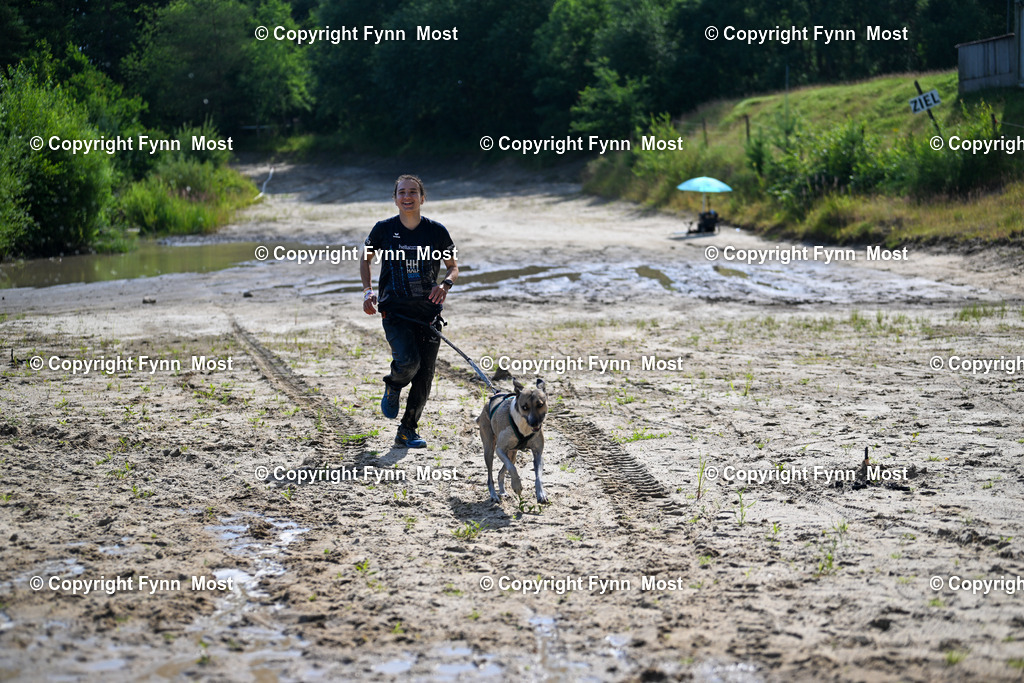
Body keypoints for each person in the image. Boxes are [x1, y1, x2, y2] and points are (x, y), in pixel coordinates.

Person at [360, 175, 459, 449]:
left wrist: (445, 284)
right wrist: (367, 291)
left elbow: (453, 267)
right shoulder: (383, 229)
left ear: (422, 198)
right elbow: (365, 258)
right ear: (395, 198)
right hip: (395, 312)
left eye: (413, 192)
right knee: (409, 363)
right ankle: (393, 384)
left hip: (429, 314)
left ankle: (407, 430)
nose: (407, 196)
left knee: (425, 376)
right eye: (402, 192)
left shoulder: (436, 231)